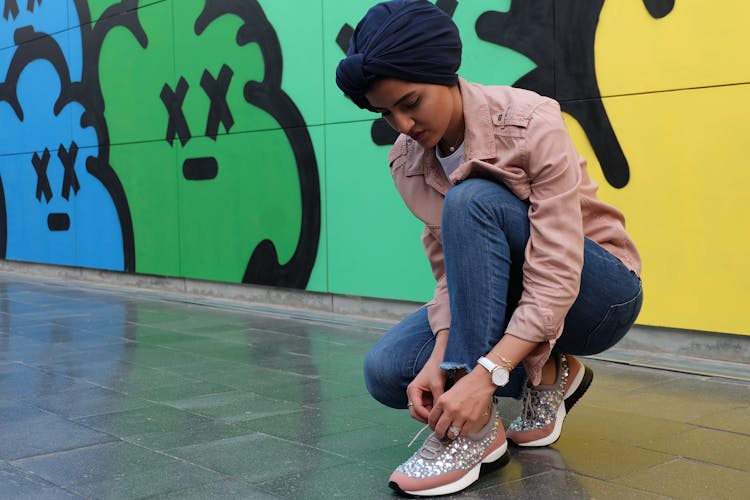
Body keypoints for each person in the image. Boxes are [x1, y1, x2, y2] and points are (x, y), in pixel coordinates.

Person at [336, 0, 643, 496]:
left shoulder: (530, 119)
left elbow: (557, 269)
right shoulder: (407, 161)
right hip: (512, 293)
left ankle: (473, 428)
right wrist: (441, 355)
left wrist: (482, 376)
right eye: (386, 113)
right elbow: (449, 276)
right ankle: (544, 375)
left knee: (473, 198)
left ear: (446, 74)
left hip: (599, 292)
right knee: (388, 370)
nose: (403, 125)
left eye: (411, 102)